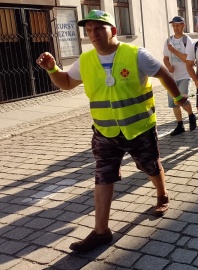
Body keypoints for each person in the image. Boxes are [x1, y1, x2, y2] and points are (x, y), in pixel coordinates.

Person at [36, 10, 188, 253]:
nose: (93, 34)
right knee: (103, 176)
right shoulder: (85, 61)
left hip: (139, 129)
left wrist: (179, 98)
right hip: (105, 132)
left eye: (98, 29)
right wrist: (53, 69)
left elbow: (163, 73)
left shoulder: (136, 54)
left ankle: (162, 194)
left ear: (113, 31)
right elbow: (66, 84)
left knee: (150, 166)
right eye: (88, 31)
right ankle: (101, 231)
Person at [163, 16, 197, 136]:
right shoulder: (168, 41)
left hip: (185, 75)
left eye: (178, 25)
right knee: (174, 103)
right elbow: (165, 58)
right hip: (172, 76)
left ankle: (191, 115)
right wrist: (168, 66)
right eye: (174, 25)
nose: (175, 28)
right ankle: (180, 125)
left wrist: (173, 50)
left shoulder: (187, 40)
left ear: (183, 25)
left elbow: (188, 59)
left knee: (181, 100)